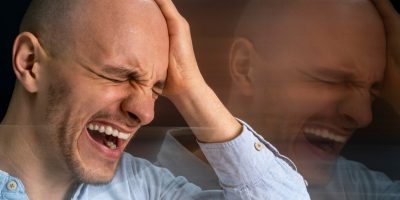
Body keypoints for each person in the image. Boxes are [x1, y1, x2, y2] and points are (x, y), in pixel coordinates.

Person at [0, 0, 310, 199]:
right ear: (30, 63)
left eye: (157, 89)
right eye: (121, 75)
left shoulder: (147, 190)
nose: (146, 112)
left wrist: (191, 87)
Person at [156, 0, 400, 199]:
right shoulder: (141, 183)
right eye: (332, 80)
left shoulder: (353, 186)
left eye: (373, 91)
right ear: (244, 67)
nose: (362, 115)